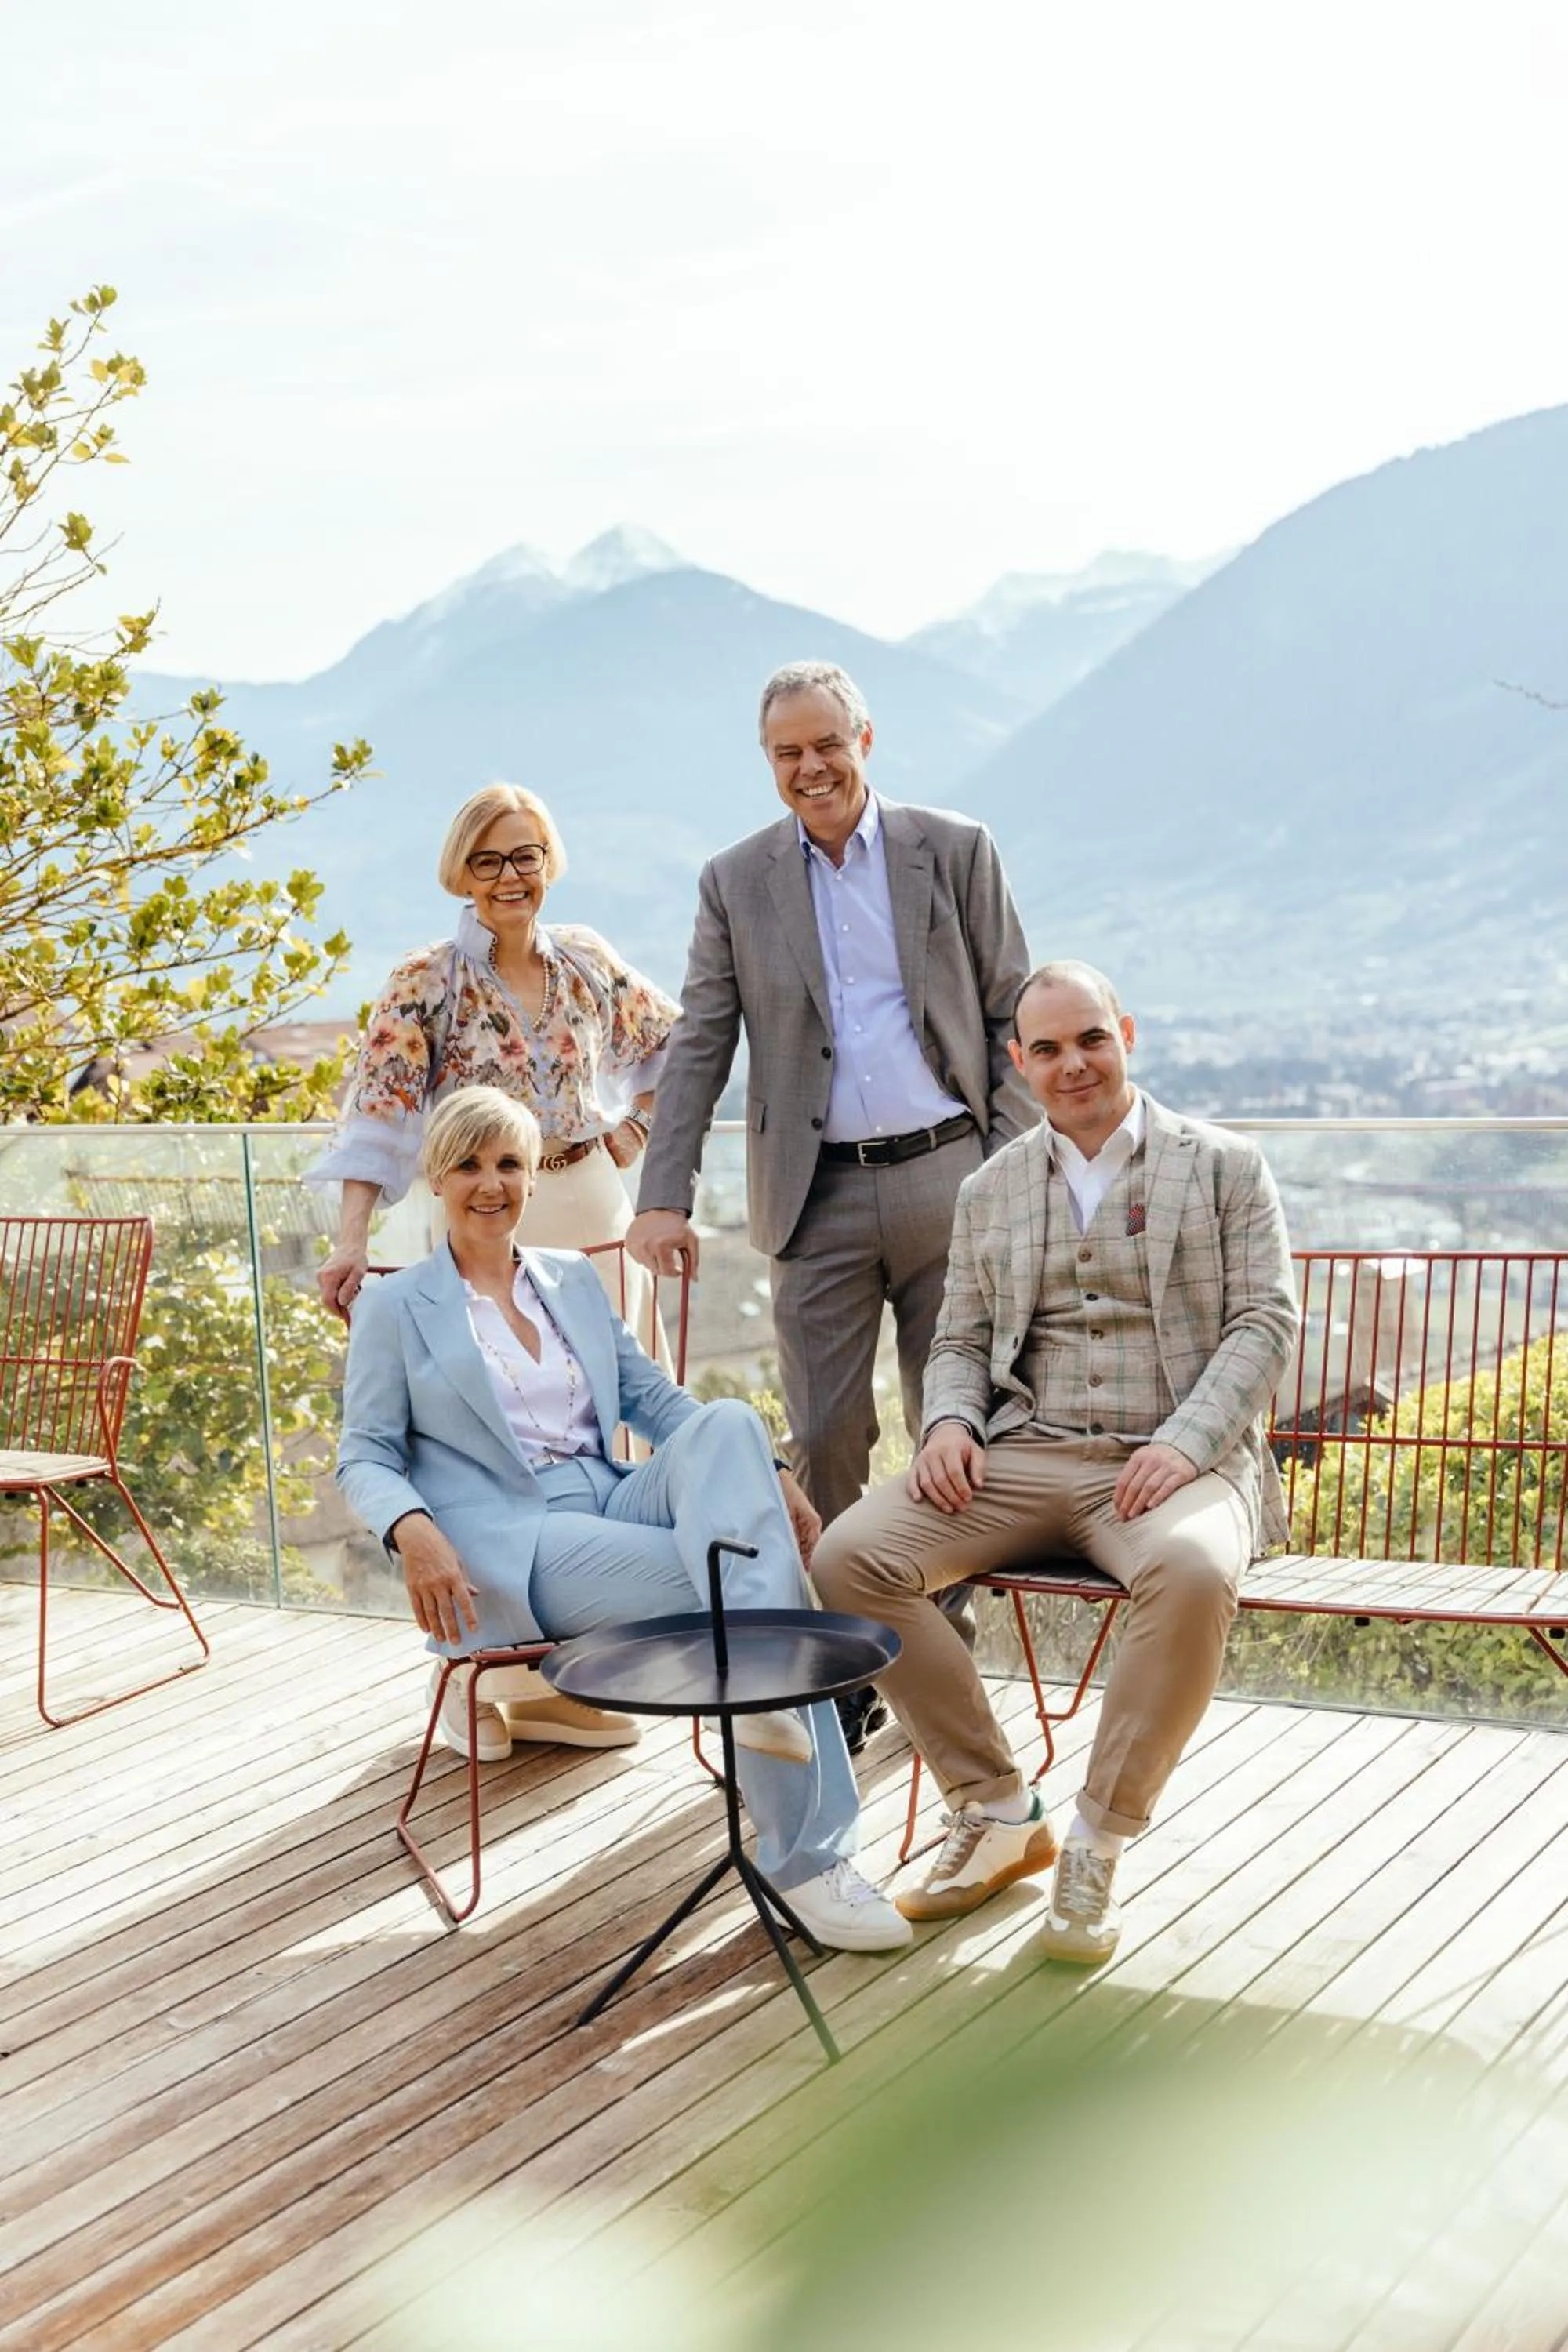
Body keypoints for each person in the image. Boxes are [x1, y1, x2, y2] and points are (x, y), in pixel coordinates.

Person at [336, 1086, 912, 1953]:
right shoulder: (395, 1306)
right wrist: (412, 1531)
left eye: (509, 1164)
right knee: (754, 1590)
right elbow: (364, 1456)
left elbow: (660, 1404)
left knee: (729, 1423)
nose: (490, 1184)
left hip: (612, 1494)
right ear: (435, 1177)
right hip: (513, 1541)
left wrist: (773, 1475)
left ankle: (768, 1732)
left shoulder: (568, 1279)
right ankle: (808, 1862)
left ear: (533, 1178)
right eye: (468, 1165)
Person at [811, 962, 1299, 1962]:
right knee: (850, 1558)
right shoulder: (988, 1188)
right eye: (1047, 1049)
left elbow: (1263, 1323)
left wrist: (1182, 1444)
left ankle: (1095, 1839)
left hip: (1175, 1465)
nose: (1071, 1064)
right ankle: (995, 1808)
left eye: (1089, 1040)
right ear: (1018, 1063)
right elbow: (958, 1338)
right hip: (1025, 1454)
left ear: (1126, 1035)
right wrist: (949, 1425)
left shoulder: (1223, 1165)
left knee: (1193, 1570)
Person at [627, 661, 1036, 1747]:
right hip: (813, 1197)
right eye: (786, 753)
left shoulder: (955, 849)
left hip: (954, 1177)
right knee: (822, 1434)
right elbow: (701, 1042)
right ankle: (847, 1660)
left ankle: (932, 1650)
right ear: (768, 762)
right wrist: (662, 1195)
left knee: (956, 1425)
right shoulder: (734, 880)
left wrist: (1009, 1168)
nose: (809, 768)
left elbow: (1013, 1014)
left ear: (865, 739)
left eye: (825, 745)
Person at [310, 782, 677, 1334]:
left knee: (617, 1380)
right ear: (462, 874)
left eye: (526, 856)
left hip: (593, 1204)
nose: (510, 876)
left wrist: (639, 1125)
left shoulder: (586, 958)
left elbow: (682, 1047)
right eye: (487, 862)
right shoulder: (423, 980)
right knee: (497, 1380)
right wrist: (351, 1242)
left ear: (548, 864)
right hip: (479, 1214)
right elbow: (375, 1120)